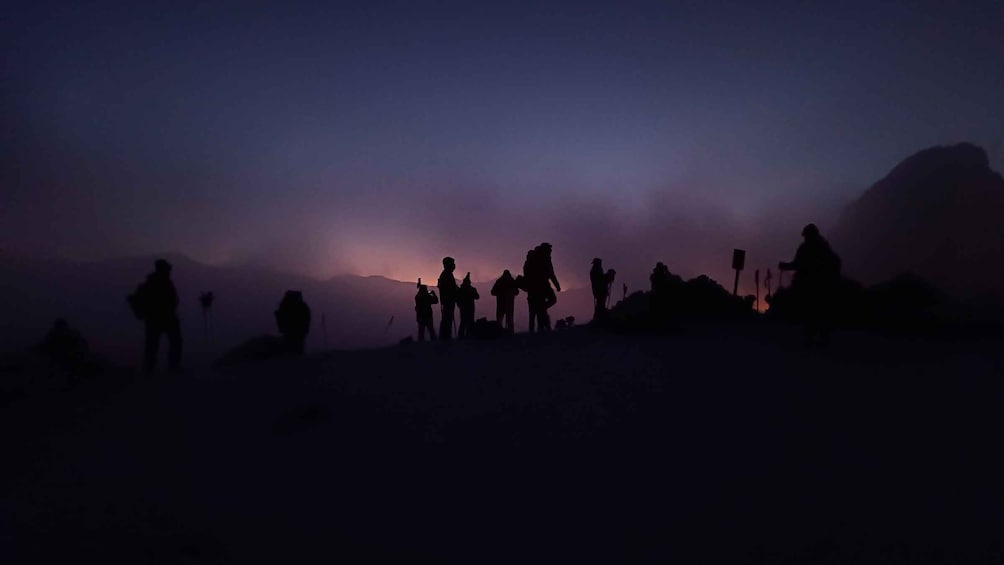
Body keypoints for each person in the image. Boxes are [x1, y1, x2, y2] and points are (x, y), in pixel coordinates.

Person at [778, 223, 842, 346]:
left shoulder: (807, 248)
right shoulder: (824, 247)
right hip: (823, 286)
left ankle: (811, 338)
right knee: (820, 311)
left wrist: (785, 266)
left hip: (810, 286)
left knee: (811, 311)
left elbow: (797, 264)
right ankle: (822, 338)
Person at [129, 259, 183, 373]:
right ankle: (171, 367)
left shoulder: (154, 283)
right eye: (168, 269)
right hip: (164, 318)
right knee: (172, 342)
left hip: (155, 319)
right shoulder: (163, 283)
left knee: (152, 345)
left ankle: (151, 368)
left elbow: (174, 300)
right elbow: (175, 300)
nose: (169, 271)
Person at [490, 269, 519, 333]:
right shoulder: (512, 282)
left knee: (500, 320)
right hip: (509, 305)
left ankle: (499, 333)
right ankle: (510, 333)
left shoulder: (499, 282)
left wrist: (500, 293)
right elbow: (517, 292)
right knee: (509, 320)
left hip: (501, 304)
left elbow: (492, 292)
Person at [437, 257, 459, 341]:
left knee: (447, 319)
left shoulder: (447, 274)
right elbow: (450, 289)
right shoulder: (446, 275)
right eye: (452, 263)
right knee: (447, 320)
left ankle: (445, 337)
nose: (454, 265)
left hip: (448, 301)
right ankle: (445, 338)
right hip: (448, 301)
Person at [456, 273, 480, 339]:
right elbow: (477, 297)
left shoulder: (460, 290)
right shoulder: (471, 289)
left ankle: (461, 335)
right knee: (470, 321)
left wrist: (459, 305)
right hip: (470, 308)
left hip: (463, 308)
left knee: (463, 321)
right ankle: (468, 335)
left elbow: (457, 298)